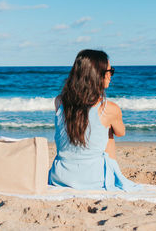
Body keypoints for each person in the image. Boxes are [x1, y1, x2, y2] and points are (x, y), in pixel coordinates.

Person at [48, 49, 141, 191]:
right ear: (97, 75)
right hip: (93, 179)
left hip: (59, 177)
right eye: (110, 72)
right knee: (109, 133)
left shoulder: (59, 101)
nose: (111, 76)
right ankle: (116, 176)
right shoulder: (109, 108)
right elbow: (121, 132)